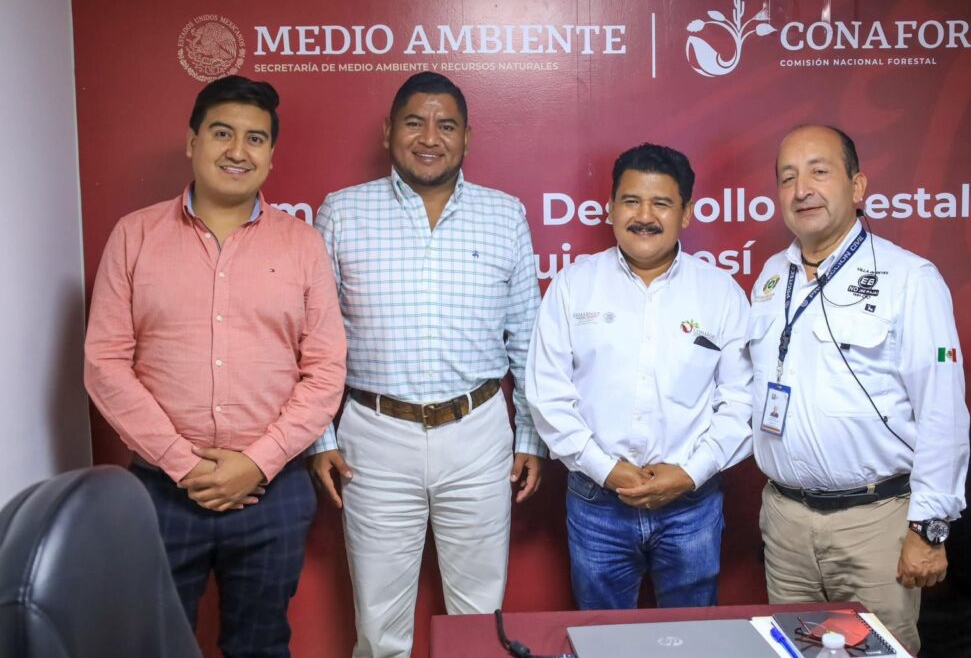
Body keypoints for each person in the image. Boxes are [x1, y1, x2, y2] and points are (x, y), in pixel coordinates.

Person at [84, 76, 347, 658]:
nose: (238, 151)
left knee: (261, 645)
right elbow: (105, 363)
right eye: (222, 133)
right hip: (161, 489)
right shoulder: (135, 236)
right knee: (154, 643)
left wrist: (257, 462)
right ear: (192, 141)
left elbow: (326, 370)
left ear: (271, 155)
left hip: (272, 491)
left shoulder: (302, 245)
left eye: (255, 139)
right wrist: (184, 465)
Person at [306, 71, 544, 657]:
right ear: (389, 131)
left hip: (478, 432)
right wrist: (321, 439)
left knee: (478, 619)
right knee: (379, 626)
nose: (430, 137)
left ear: (467, 137)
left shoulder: (504, 215)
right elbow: (313, 339)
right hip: (374, 437)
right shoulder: (342, 213)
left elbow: (528, 338)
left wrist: (530, 438)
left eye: (446, 125)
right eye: (414, 122)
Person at [748, 124, 969, 653]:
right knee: (795, 650)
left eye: (819, 172)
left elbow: (942, 411)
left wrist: (929, 528)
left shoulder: (909, 279)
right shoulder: (772, 277)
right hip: (786, 523)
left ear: (857, 186)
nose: (802, 189)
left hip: (874, 525)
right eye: (788, 178)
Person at [526, 143, 753, 609]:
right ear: (610, 208)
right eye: (631, 201)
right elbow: (548, 396)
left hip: (691, 506)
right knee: (601, 637)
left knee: (692, 637)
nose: (644, 216)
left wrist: (688, 474)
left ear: (686, 213)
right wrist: (606, 470)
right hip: (596, 502)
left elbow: (741, 401)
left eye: (661, 203)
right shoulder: (573, 287)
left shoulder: (721, 293)